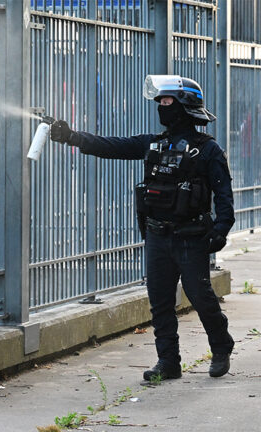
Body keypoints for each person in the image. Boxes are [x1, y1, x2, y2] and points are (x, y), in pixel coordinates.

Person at [50, 75, 234, 381]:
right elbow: (113, 146)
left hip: (190, 237)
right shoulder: (154, 144)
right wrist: (72, 137)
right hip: (157, 235)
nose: (160, 107)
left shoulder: (207, 149)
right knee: (160, 301)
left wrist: (221, 229)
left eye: (166, 101)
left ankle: (221, 346)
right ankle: (168, 362)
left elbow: (224, 194)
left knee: (200, 296)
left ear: (184, 105)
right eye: (159, 102)